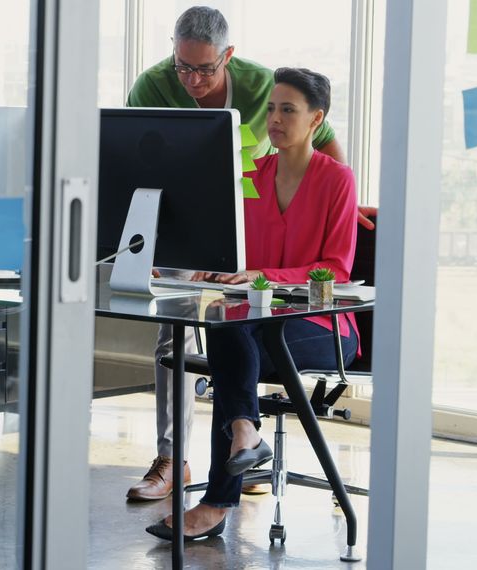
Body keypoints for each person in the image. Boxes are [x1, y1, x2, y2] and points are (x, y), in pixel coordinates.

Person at [124, 5, 347, 502]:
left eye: (205, 69)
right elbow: (131, 157)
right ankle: (177, 456)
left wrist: (339, 201)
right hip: (185, 217)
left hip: (248, 226)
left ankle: (230, 473)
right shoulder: (154, 85)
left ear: (229, 57)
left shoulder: (267, 86)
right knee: (178, 333)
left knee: (231, 328)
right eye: (184, 66)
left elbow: (324, 142)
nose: (193, 79)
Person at [146, 67, 360, 540]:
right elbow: (231, 252)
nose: (275, 119)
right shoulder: (251, 175)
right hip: (253, 322)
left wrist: (262, 276)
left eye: (288, 110)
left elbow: (336, 269)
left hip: (322, 327)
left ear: (316, 118)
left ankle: (216, 503)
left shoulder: (337, 181)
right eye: (270, 109)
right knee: (230, 332)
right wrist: (201, 265)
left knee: (230, 356)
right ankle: (246, 432)